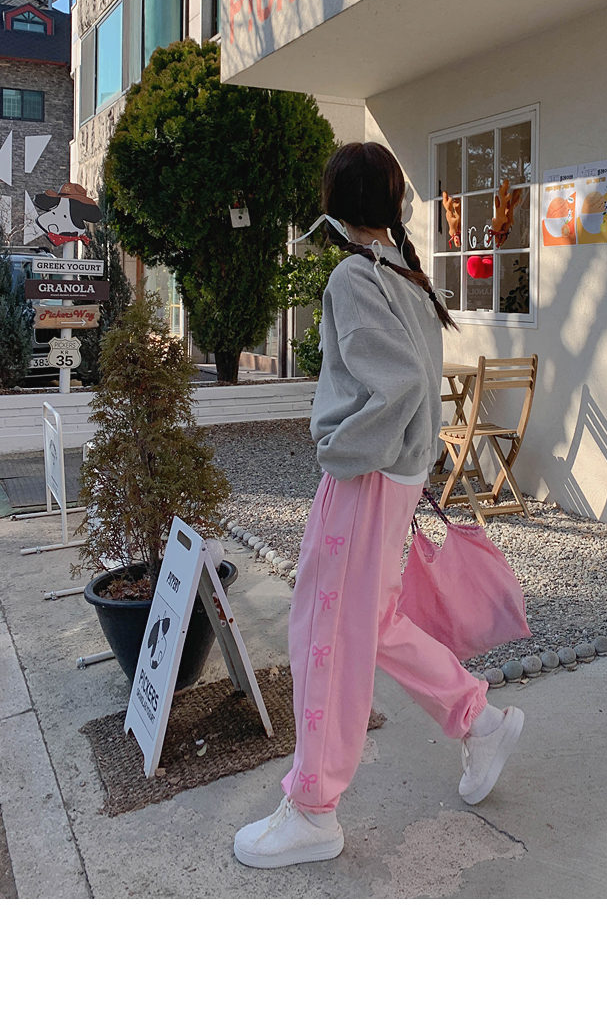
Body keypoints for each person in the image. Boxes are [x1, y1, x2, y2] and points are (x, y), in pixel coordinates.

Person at [234, 142, 524, 868]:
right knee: (373, 620)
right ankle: (478, 719)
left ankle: (313, 808)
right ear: (389, 205)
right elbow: (413, 383)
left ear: (336, 202)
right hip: (392, 479)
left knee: (324, 631)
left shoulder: (355, 275)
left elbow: (397, 386)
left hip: (365, 478)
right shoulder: (402, 272)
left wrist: (340, 448)